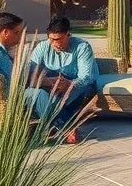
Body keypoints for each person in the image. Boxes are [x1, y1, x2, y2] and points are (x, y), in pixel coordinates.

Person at [26, 15, 98, 144]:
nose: (55, 44)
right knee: (42, 95)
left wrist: (69, 84)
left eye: (58, 39)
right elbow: (31, 72)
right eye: (51, 39)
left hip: (78, 84)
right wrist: (47, 82)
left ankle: (55, 126)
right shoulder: (43, 47)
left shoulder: (82, 47)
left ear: (68, 34)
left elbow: (86, 77)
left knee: (75, 94)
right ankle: (65, 126)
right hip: (52, 84)